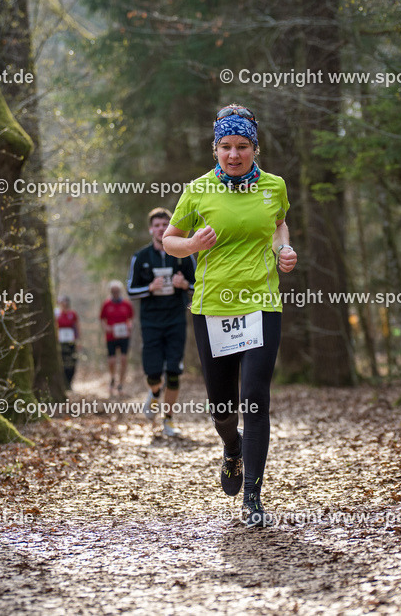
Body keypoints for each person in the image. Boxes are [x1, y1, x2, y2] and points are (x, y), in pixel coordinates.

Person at [162, 103, 296, 527]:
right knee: (222, 409)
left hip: (261, 303)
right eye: (226, 146)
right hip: (212, 308)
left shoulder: (274, 186)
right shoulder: (198, 189)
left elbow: (278, 225)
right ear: (215, 149)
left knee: (255, 399)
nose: (234, 155)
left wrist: (283, 250)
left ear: (255, 149)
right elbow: (170, 239)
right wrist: (191, 247)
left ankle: (253, 497)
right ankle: (232, 447)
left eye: (242, 146)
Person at [126, 207, 196, 437]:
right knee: (154, 373)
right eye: (156, 225)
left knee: (174, 371)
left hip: (176, 319)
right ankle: (154, 394)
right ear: (150, 229)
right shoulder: (141, 256)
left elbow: (201, 285)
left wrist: (185, 285)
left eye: (165, 225)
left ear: (171, 227)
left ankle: (169, 420)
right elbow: (130, 290)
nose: (161, 229)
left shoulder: (184, 253)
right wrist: (149, 288)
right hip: (151, 322)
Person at [100, 280, 134, 396]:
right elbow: (102, 319)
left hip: (124, 335)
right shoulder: (106, 304)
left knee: (124, 359)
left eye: (117, 290)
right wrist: (106, 328)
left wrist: (129, 326)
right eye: (113, 291)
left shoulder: (126, 304)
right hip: (111, 336)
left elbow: (131, 319)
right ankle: (112, 378)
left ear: (120, 291)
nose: (115, 292)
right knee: (112, 360)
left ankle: (121, 384)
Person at [56, 296, 80, 389]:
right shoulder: (57, 314)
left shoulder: (73, 314)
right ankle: (63, 382)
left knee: (72, 362)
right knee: (62, 362)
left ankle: (70, 382)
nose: (64, 303)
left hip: (71, 341)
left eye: (66, 301)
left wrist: (78, 340)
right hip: (61, 342)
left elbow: (77, 327)